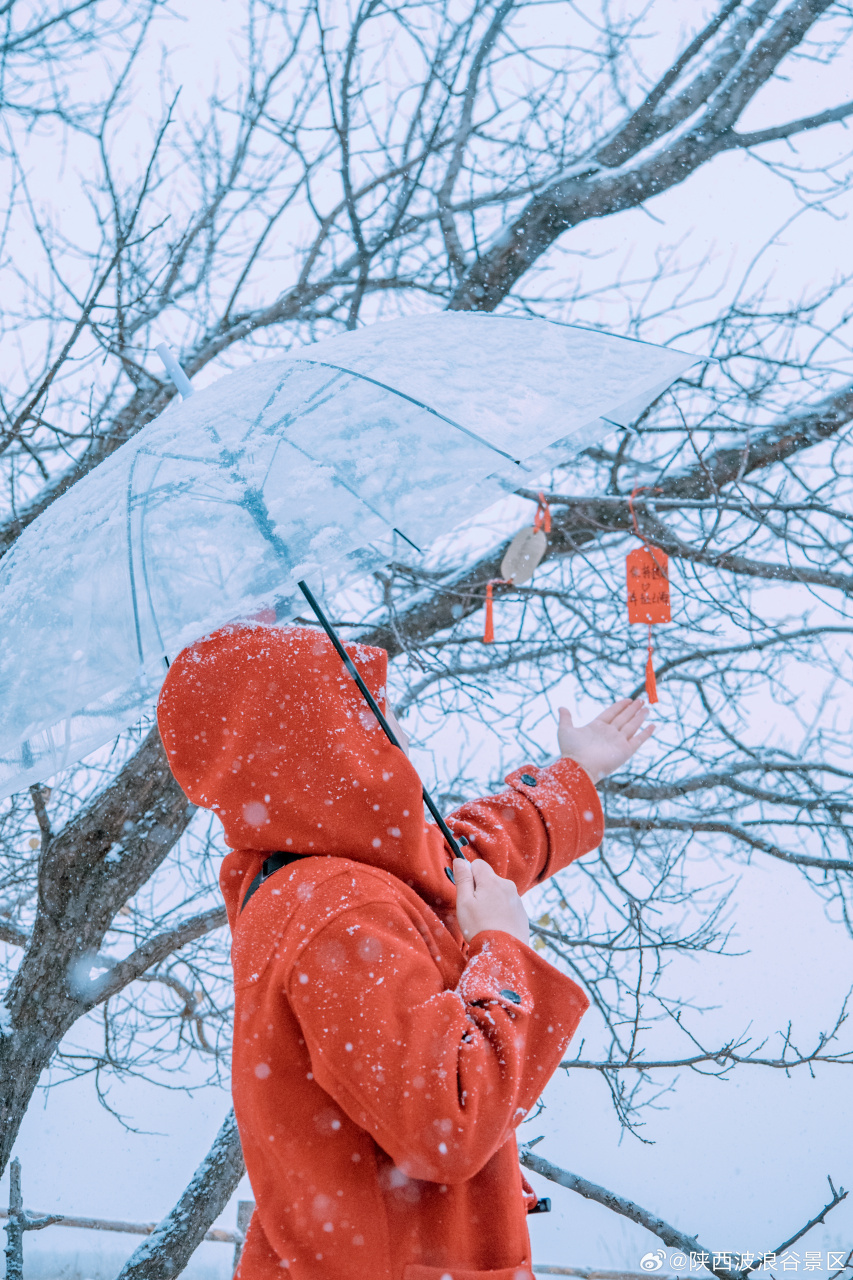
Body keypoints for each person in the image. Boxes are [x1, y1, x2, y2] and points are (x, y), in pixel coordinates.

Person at [157, 622, 653, 1280]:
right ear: (322, 745)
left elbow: (457, 861)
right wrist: (501, 945)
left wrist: (574, 773)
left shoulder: (308, 870)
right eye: (376, 713)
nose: (402, 734)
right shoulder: (338, 910)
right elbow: (447, 1117)